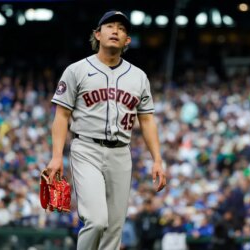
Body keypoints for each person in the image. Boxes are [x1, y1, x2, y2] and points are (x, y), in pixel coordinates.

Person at [46, 10, 167, 250]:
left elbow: (147, 120)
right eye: (110, 26)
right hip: (86, 148)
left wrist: (157, 159)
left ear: (127, 41)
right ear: (98, 34)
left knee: (114, 229)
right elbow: (61, 116)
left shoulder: (139, 77)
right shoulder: (76, 70)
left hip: (121, 153)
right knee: (97, 220)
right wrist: (57, 156)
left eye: (121, 29)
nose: (116, 31)